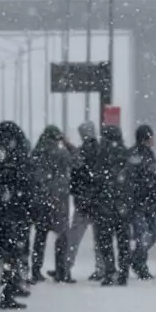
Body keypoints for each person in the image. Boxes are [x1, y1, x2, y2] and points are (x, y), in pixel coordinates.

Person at [0, 121, 32, 309]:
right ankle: (6, 294)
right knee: (10, 256)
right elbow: (22, 184)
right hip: (10, 214)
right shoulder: (13, 158)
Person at [30, 126, 76, 283]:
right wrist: (68, 144)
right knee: (62, 236)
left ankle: (35, 270)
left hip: (41, 199)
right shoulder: (61, 153)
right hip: (58, 199)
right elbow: (78, 162)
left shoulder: (36, 152)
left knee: (40, 236)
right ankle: (61, 271)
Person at [92, 124, 133, 286]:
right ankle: (123, 273)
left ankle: (110, 271)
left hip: (104, 205)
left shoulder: (101, 155)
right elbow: (131, 181)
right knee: (123, 241)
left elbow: (95, 180)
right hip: (122, 206)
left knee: (105, 241)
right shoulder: (126, 154)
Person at [65, 122, 105, 280]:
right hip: (99, 202)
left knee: (73, 238)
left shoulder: (80, 153)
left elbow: (74, 178)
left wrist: (77, 194)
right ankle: (101, 268)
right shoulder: (102, 151)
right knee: (100, 239)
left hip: (83, 202)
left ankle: (66, 267)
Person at [126, 124, 156, 280]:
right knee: (144, 235)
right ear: (146, 138)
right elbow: (135, 177)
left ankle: (134, 258)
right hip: (139, 203)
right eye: (151, 136)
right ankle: (140, 264)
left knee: (153, 233)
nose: (153, 139)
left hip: (149, 202)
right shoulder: (136, 155)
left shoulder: (148, 154)